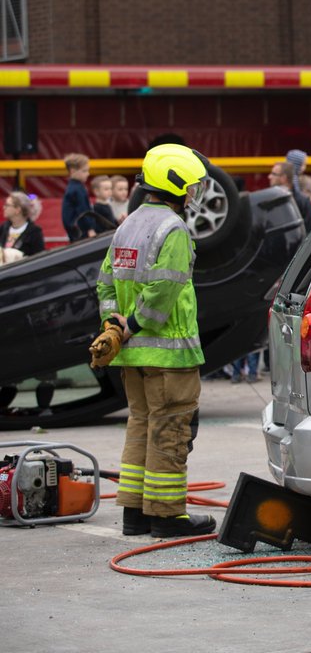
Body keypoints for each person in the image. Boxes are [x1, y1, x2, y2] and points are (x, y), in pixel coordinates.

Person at [96, 143, 216, 538]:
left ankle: (134, 513)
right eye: (192, 186)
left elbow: (105, 281)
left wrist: (114, 326)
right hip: (169, 356)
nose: (194, 193)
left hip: (132, 355)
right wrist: (132, 323)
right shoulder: (173, 229)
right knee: (171, 430)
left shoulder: (128, 224)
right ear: (177, 185)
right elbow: (164, 292)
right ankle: (166, 516)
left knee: (141, 426)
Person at [269, 160, 311, 231]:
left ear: (283, 178)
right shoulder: (269, 200)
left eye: (273, 174)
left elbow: (310, 231)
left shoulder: (302, 202)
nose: (269, 176)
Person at [1, 191, 45, 261]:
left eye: (7, 205)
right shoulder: (3, 228)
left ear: (18, 210)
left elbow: (39, 259)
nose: (4, 207)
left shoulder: (34, 232)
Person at [62, 153, 93, 240]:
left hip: (75, 231)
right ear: (72, 171)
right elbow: (83, 211)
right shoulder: (77, 189)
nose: (88, 174)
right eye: (84, 171)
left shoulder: (73, 187)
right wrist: (89, 228)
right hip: (81, 233)